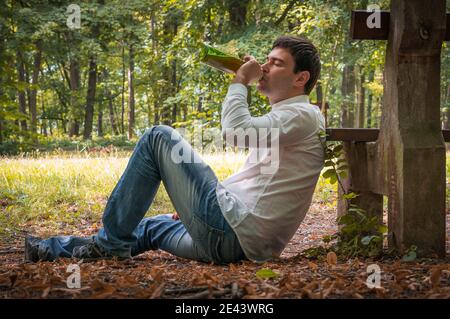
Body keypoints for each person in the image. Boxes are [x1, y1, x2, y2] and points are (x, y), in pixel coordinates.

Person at [25, 35, 325, 264]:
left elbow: (236, 132)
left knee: (158, 137)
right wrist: (192, 208)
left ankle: (110, 246)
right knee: (148, 227)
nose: (264, 67)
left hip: (233, 234)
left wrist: (239, 82)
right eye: (267, 59)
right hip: (233, 244)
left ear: (301, 78)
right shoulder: (286, 119)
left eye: (277, 63)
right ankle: (50, 249)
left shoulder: (302, 115)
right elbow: (255, 183)